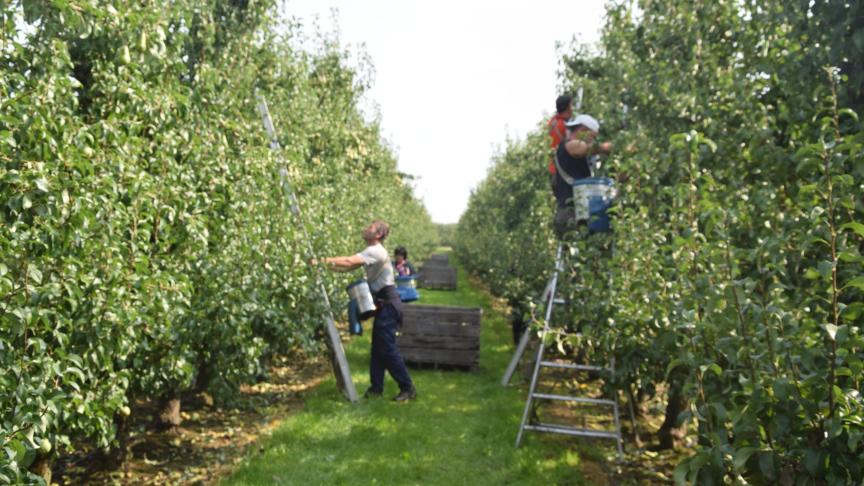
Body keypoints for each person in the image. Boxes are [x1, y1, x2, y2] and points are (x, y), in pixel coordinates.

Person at [315, 220, 417, 402]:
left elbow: (348, 261)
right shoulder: (371, 252)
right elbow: (347, 267)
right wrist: (324, 266)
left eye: (370, 227)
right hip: (384, 304)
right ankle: (376, 389)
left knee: (387, 349)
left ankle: (407, 387)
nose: (365, 228)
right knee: (378, 349)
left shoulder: (375, 250)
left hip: (388, 305)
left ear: (378, 235)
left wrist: (320, 260)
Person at [553, 114, 613, 238]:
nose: (593, 141)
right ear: (583, 130)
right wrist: (607, 147)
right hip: (570, 215)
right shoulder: (569, 145)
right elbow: (581, 148)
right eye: (592, 136)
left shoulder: (574, 154)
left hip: (578, 214)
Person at [547, 95, 573, 195]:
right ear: (568, 107)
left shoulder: (552, 122)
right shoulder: (565, 126)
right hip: (563, 173)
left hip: (553, 171)